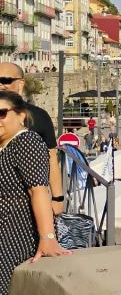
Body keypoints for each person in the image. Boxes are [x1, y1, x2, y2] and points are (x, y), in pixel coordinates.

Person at [0, 90, 70, 295]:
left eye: (2, 113)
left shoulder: (26, 142)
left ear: (21, 115)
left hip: (13, 236)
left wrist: (48, 238)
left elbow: (38, 190)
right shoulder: (6, 145)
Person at [0, 65, 63, 216]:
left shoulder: (39, 117)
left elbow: (51, 158)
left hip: (26, 206)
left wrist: (58, 198)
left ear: (20, 84)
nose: (0, 84)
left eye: (6, 80)